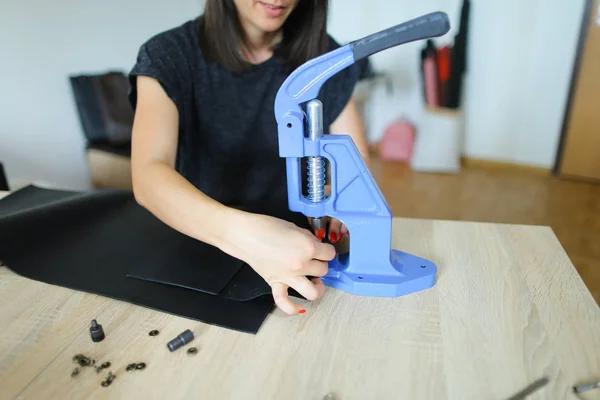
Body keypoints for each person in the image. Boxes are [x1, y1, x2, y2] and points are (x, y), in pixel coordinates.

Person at [128, 0, 370, 315]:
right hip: (197, 247)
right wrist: (241, 234)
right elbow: (148, 174)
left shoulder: (325, 57)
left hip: (299, 251)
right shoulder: (168, 53)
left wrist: (344, 199)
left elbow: (355, 165)